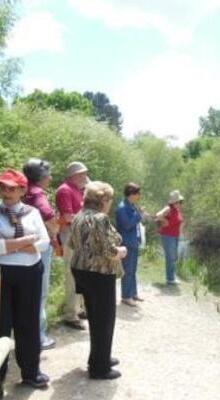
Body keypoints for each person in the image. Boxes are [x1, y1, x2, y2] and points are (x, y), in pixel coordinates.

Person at [68, 181, 127, 380]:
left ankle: (100, 358)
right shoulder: (100, 218)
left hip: (80, 270)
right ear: (103, 199)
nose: (110, 202)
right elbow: (107, 251)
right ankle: (99, 368)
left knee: (95, 317)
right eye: (109, 198)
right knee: (104, 320)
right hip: (99, 273)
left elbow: (72, 243)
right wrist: (120, 251)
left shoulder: (79, 215)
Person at [0, 169, 50, 390]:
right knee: (1, 325)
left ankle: (30, 372)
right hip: (2, 273)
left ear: (23, 190)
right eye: (2, 187)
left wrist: (16, 245)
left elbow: (44, 241)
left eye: (11, 188)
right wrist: (24, 243)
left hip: (30, 272)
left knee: (28, 322)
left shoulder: (32, 212)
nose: (5, 192)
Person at [23, 158, 57, 350]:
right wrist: (54, 232)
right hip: (39, 248)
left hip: (18, 250)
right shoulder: (37, 194)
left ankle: (24, 333)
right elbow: (49, 216)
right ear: (41, 177)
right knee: (40, 292)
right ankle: (39, 337)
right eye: (48, 174)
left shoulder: (21, 190)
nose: (50, 178)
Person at [56, 161, 89, 330]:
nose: (85, 176)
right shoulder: (64, 190)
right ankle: (70, 314)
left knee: (80, 272)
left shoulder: (77, 189)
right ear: (74, 175)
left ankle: (78, 308)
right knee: (71, 274)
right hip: (70, 234)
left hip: (78, 234)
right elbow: (68, 217)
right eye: (82, 173)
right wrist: (89, 218)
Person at [116, 183, 145, 306]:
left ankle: (133, 293)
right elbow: (127, 225)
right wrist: (139, 215)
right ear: (131, 194)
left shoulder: (132, 206)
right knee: (127, 270)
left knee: (133, 270)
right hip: (126, 243)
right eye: (137, 193)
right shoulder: (122, 208)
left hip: (133, 241)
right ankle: (126, 296)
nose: (139, 196)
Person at [156, 190, 184, 285]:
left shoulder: (176, 210)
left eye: (181, 202)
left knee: (173, 257)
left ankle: (171, 276)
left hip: (174, 236)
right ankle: (170, 279)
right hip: (168, 236)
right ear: (174, 202)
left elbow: (177, 221)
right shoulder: (168, 208)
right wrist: (164, 221)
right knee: (170, 257)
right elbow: (158, 215)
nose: (180, 203)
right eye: (179, 202)